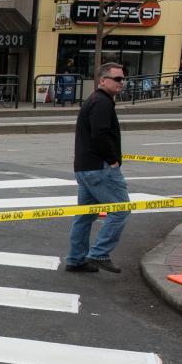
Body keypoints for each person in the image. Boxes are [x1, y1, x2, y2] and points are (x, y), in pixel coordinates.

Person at [65, 62, 128, 273]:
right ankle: (100, 253)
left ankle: (76, 259)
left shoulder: (94, 100)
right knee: (121, 209)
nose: (122, 82)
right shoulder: (102, 103)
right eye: (117, 79)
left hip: (85, 168)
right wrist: (112, 160)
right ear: (102, 80)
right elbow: (100, 134)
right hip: (99, 169)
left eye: (123, 78)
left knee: (85, 215)